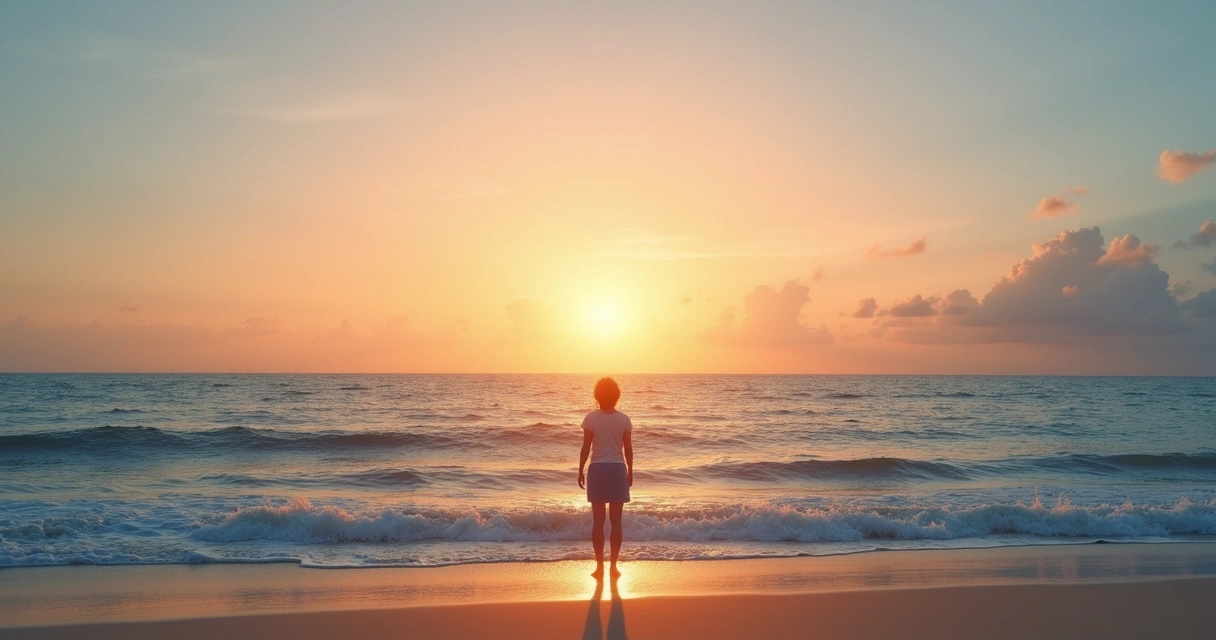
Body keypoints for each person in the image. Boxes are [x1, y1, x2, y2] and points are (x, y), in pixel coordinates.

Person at [577, 376, 633, 578]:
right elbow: (628, 449)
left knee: (598, 521)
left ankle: (599, 566)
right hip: (617, 469)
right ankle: (614, 567)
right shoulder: (624, 419)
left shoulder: (591, 418)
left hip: (597, 470)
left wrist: (580, 469)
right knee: (616, 522)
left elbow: (586, 448)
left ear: (597, 396)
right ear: (616, 396)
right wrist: (630, 471)